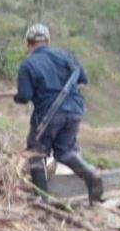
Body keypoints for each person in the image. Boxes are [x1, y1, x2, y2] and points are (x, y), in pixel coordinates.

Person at [14, 24, 103, 204]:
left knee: (36, 153)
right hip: (75, 111)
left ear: (28, 43)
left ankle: (41, 197)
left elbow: (24, 97)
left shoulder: (28, 64)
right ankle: (91, 174)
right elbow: (83, 80)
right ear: (47, 41)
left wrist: (17, 96)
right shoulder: (67, 57)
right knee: (65, 152)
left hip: (49, 115)